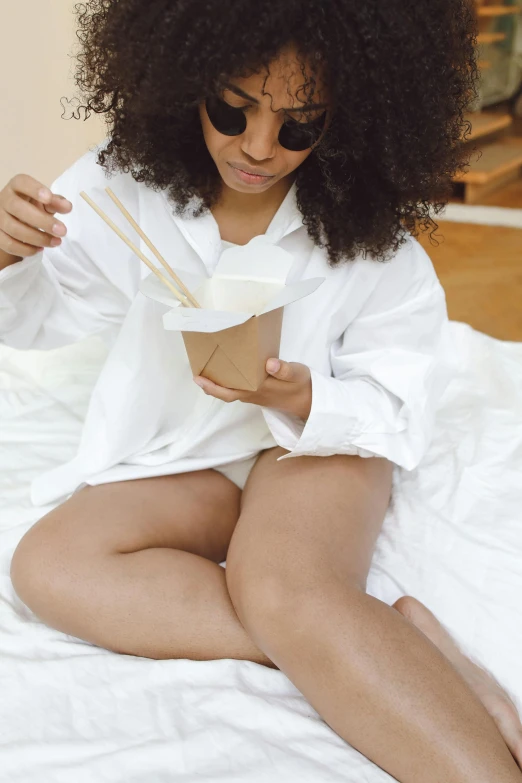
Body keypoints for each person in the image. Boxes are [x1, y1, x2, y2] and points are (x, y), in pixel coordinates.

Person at [1, 1, 521, 781]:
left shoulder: (368, 230)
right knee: (49, 565)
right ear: (186, 80)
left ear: (351, 114)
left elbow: (400, 394)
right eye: (231, 109)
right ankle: (387, 641)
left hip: (314, 450)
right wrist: (11, 255)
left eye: (299, 125)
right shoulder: (125, 183)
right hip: (190, 452)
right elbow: (46, 312)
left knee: (281, 586)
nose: (256, 148)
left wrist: (307, 399)